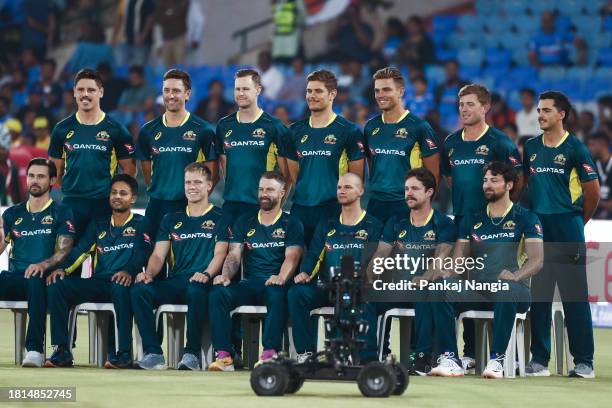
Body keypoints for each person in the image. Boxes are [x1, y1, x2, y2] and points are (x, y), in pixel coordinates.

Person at [441, 83, 523, 370]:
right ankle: (469, 352)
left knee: (492, 282)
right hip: (462, 222)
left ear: (485, 107)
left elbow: (517, 180)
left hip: (494, 226)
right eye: (461, 104)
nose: (464, 109)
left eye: (470, 104)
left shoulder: (500, 142)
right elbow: (451, 180)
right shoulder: (451, 143)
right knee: (463, 283)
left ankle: (497, 353)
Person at [523, 91, 600, 378]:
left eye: (546, 110)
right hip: (540, 229)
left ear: (561, 114)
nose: (540, 115)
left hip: (568, 225)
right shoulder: (530, 147)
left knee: (574, 297)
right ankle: (539, 361)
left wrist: (577, 221)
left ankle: (584, 362)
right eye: (539, 110)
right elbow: (528, 187)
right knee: (540, 296)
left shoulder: (576, 148)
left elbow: (591, 192)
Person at [445, 161, 543, 379]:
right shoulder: (473, 218)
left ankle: (497, 359)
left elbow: (537, 261)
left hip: (515, 291)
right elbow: (458, 260)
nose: (487, 185)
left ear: (509, 185)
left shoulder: (526, 218)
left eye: (494, 180)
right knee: (442, 289)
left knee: (506, 288)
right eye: (485, 180)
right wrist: (447, 273)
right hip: (480, 290)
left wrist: (516, 276)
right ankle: (450, 358)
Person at [44, 174, 151, 369]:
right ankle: (62, 350)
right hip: (100, 282)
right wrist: (63, 269)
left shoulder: (141, 223)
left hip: (124, 282)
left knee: (120, 285)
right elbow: (80, 251)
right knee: (56, 284)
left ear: (133, 198)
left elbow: (141, 254)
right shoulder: (99, 223)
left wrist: (128, 270)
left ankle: (124, 353)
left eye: (123, 193)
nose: (117, 197)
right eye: (113, 193)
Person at [131, 163, 228, 370]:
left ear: (209, 186)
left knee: (196, 288)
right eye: (188, 182)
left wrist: (206, 274)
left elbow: (220, 253)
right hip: (176, 281)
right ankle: (154, 353)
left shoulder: (220, 217)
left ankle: (191, 354)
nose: (192, 187)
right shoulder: (171, 219)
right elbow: (158, 254)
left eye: (197, 182)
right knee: (140, 289)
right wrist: (148, 274)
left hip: (203, 281)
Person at [208, 171, 303, 371]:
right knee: (218, 293)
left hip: (275, 283)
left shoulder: (291, 223)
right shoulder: (245, 221)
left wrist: (281, 277)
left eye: (269, 189)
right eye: (261, 189)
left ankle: (270, 353)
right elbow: (234, 254)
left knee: (277, 294)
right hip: (249, 283)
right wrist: (225, 276)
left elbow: (292, 256)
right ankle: (224, 355)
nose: (264, 194)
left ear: (282, 192)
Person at [367, 167, 458, 376]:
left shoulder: (443, 223)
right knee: (366, 297)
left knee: (425, 292)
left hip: (423, 289)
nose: (409, 193)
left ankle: (422, 358)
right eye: (407, 188)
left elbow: (440, 261)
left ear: (429, 192)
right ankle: (370, 358)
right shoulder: (396, 222)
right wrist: (371, 275)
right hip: (397, 288)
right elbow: (380, 255)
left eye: (415, 189)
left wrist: (423, 278)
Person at [288, 173, 382, 362]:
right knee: (296, 294)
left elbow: (376, 262)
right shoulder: (327, 223)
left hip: (357, 288)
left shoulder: (374, 225)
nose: (341, 190)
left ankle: (365, 359)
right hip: (328, 287)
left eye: (348, 187)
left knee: (365, 297)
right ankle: (305, 354)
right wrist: (305, 272)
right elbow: (314, 253)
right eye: (339, 187)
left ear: (361, 191)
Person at [0, 158, 75, 367]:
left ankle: (34, 350)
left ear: (52, 181)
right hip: (15, 278)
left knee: (34, 279)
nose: (34, 180)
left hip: (42, 279)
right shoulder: (13, 213)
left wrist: (42, 265)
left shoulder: (61, 212)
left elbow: (64, 250)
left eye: (41, 176)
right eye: (31, 176)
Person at [48, 69, 136, 243]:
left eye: (91, 90)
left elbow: (130, 171)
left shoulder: (116, 129)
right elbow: (55, 172)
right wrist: (73, 189)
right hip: (71, 204)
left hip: (104, 205)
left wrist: (112, 195)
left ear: (101, 92)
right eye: (80, 90)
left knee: (103, 265)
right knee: (67, 264)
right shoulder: (61, 129)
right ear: (74, 92)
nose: (85, 94)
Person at [281, 69, 365, 246]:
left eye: (318, 91)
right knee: (297, 268)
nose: (312, 96)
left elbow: (357, 179)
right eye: (309, 91)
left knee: (331, 270)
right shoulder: (293, 131)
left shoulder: (349, 131)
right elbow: (294, 176)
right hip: (300, 210)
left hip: (333, 210)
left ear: (332, 94)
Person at [136, 69, 217, 237]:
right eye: (167, 90)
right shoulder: (148, 131)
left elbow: (213, 175)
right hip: (156, 206)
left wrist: (196, 201)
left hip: (187, 207)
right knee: (150, 260)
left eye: (176, 91)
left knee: (180, 262)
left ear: (187, 94)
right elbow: (147, 172)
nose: (170, 95)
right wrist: (162, 190)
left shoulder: (203, 130)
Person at [216, 69, 291, 228]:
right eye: (237, 89)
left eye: (245, 88)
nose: (240, 93)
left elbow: (287, 177)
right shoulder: (224, 125)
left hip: (260, 207)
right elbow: (225, 168)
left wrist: (275, 209)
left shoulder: (274, 127)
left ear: (258, 90)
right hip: (231, 206)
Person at [364, 67, 439, 225]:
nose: (380, 95)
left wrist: (424, 207)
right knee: (371, 250)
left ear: (400, 91)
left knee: (402, 251)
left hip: (406, 205)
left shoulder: (420, 127)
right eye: (377, 91)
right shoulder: (370, 126)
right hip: (376, 205)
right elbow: (372, 165)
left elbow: (433, 175)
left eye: (386, 89)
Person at [587, 131, 612, 219]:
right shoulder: (591, 167)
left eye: (592, 144)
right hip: (593, 218)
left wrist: (596, 202)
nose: (589, 148)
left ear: (602, 144)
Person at [0, 125, 22, 205]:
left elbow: (18, 191)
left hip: (10, 208)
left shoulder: (12, 166)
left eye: (3, 149)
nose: (1, 152)